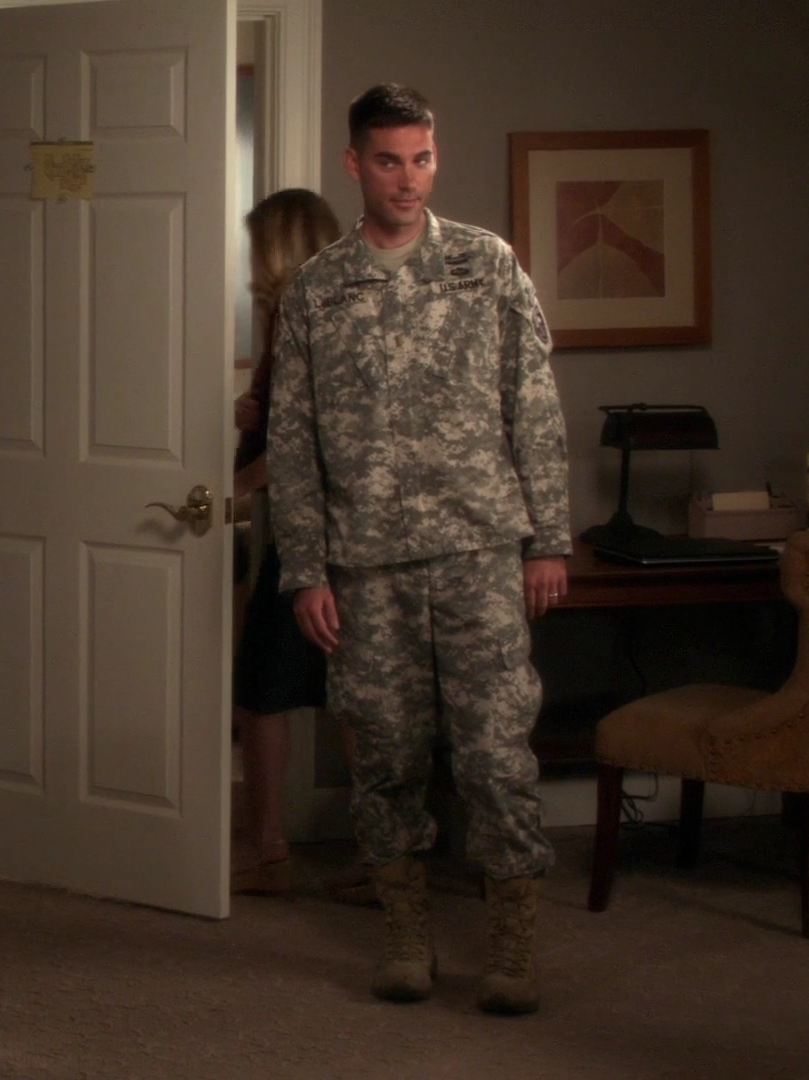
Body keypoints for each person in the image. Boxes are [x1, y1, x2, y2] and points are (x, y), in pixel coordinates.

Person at [267, 84, 570, 1015]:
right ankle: (405, 935)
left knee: (495, 758)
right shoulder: (317, 290)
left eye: (423, 159)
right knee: (386, 760)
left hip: (480, 551)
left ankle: (512, 947)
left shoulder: (486, 264)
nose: (408, 178)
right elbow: (293, 441)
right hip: (367, 566)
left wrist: (548, 540)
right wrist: (305, 569)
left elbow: (534, 404)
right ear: (354, 164)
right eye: (389, 161)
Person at [230, 187, 344, 897]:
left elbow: (313, 438)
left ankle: (278, 851)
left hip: (321, 538)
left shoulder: (319, 318)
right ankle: (279, 851)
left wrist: (233, 489)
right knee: (287, 689)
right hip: (310, 535)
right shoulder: (289, 323)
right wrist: (252, 408)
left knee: (278, 692)